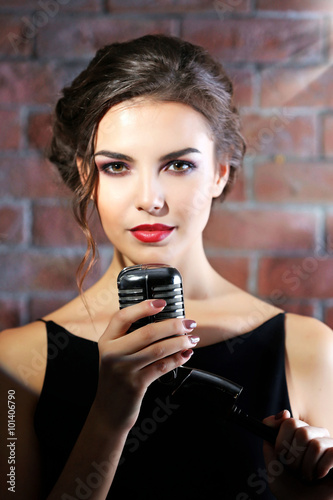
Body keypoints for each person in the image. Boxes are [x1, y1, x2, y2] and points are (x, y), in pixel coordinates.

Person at [0, 34, 333, 500]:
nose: (150, 201)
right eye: (117, 167)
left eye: (178, 165)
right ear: (85, 175)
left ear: (219, 172)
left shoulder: (308, 351)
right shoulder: (15, 365)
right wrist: (109, 418)